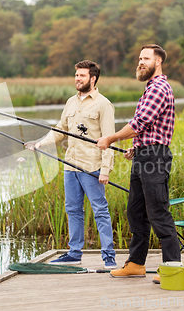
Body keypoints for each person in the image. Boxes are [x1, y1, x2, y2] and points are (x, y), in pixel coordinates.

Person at [96, 44, 180, 281]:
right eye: (139, 58)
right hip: (145, 155)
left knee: (158, 213)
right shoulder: (150, 87)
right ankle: (136, 263)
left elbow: (139, 123)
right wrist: (137, 147)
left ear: (158, 62)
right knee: (136, 212)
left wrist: (110, 138)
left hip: (154, 159)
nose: (140, 62)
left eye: (146, 59)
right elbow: (147, 129)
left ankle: (173, 269)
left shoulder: (158, 88)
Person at [25, 60, 117, 269]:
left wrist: (105, 170)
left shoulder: (104, 104)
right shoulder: (70, 102)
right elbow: (60, 129)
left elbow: (108, 139)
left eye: (82, 76)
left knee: (100, 210)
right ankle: (74, 253)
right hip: (70, 166)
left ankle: (109, 256)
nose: (77, 79)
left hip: (91, 167)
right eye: (76, 75)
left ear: (92, 78)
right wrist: (40, 143)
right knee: (73, 210)